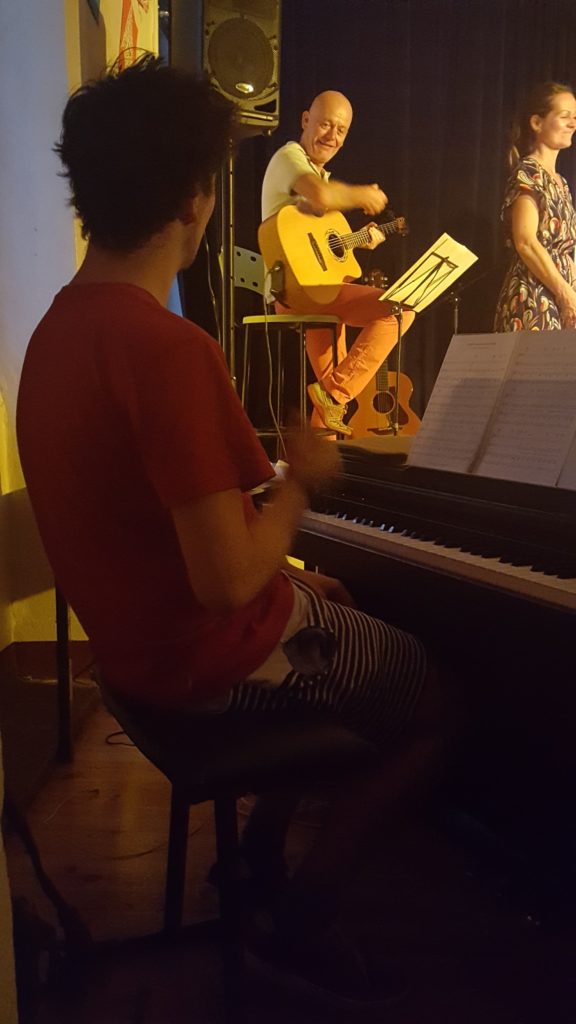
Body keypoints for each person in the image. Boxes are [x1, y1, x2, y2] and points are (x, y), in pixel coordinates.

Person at [17, 55, 442, 1008]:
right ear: (195, 198)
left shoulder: (55, 334)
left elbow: (182, 541)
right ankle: (301, 922)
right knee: (434, 699)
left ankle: (253, 857)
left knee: (329, 597)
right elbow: (226, 580)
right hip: (203, 669)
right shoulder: (169, 349)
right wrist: (303, 482)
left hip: (136, 661)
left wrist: (287, 574)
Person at [261, 90, 416, 435]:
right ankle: (334, 397)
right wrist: (364, 195)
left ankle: (321, 444)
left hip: (320, 290)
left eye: (341, 130)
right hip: (295, 291)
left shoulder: (320, 177)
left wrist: (360, 241)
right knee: (400, 309)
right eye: (325, 125)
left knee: (332, 387)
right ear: (305, 120)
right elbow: (321, 196)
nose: (332, 136)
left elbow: (316, 246)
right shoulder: (290, 158)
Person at [494, 81, 576, 331]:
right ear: (537, 123)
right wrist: (564, 293)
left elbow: (566, 250)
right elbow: (526, 242)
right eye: (564, 116)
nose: (572, 124)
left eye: (574, 117)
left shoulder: (561, 182)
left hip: (561, 296)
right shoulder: (528, 173)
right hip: (533, 297)